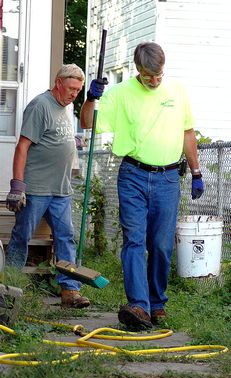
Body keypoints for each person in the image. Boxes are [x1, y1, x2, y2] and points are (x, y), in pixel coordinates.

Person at [80, 42, 204, 329]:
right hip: (133, 175)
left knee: (160, 245)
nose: (155, 80)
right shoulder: (120, 94)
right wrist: (91, 98)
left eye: (159, 74)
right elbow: (87, 122)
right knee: (134, 241)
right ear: (138, 70)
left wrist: (196, 171)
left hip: (168, 178)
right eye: (149, 76)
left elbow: (187, 132)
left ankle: (157, 301)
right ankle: (139, 305)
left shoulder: (177, 91)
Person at [5, 64, 90, 309]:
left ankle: (70, 291)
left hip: (61, 189)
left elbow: (55, 137)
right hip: (36, 188)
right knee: (22, 236)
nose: (75, 94)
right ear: (58, 83)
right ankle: (8, 289)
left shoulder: (67, 106)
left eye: (79, 90)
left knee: (66, 238)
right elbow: (22, 146)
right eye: (72, 88)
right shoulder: (40, 105)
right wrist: (18, 185)